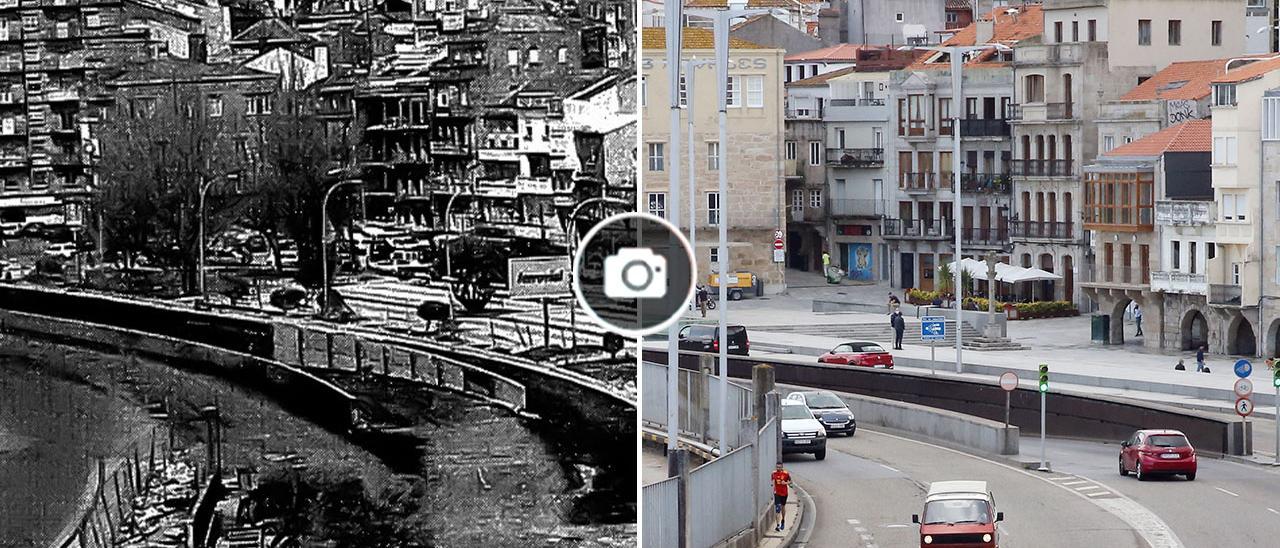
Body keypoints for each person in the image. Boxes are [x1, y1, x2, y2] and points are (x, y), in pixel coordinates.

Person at [771, 462, 791, 531]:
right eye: (777, 467)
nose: (778, 468)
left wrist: (785, 483)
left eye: (779, 467)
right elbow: (773, 481)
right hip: (777, 493)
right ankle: (777, 525)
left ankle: (783, 520)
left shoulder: (786, 474)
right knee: (777, 508)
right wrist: (773, 488)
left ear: (782, 467)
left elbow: (790, 481)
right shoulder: (774, 473)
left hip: (784, 493)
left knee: (783, 507)